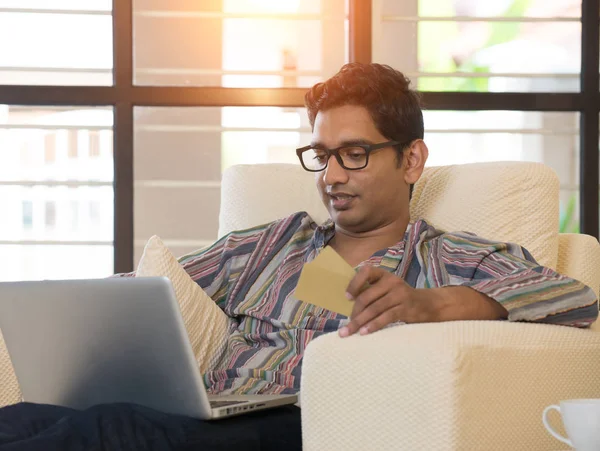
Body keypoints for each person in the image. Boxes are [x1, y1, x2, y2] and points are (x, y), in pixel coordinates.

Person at [0, 63, 597, 450]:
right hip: (205, 409)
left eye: (355, 154)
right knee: (23, 419)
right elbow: (144, 295)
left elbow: (572, 299)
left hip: (301, 423)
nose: (332, 176)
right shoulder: (269, 244)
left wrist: (429, 304)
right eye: (323, 155)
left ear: (411, 161)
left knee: (106, 432)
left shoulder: (450, 256)